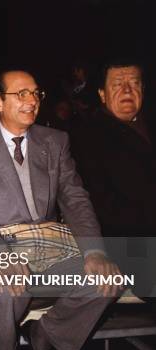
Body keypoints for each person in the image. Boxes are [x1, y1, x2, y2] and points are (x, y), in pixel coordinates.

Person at [0, 70, 122, 350]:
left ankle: (45, 334)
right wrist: (0, 255)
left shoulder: (55, 141)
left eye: (36, 93)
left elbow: (75, 199)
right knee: (10, 284)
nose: (32, 100)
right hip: (1, 244)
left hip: (49, 246)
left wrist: (95, 252)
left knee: (108, 279)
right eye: (21, 94)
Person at [71, 59, 156, 298]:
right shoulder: (88, 137)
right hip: (131, 247)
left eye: (134, 83)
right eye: (118, 84)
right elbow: (101, 206)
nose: (128, 90)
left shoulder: (149, 126)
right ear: (102, 94)